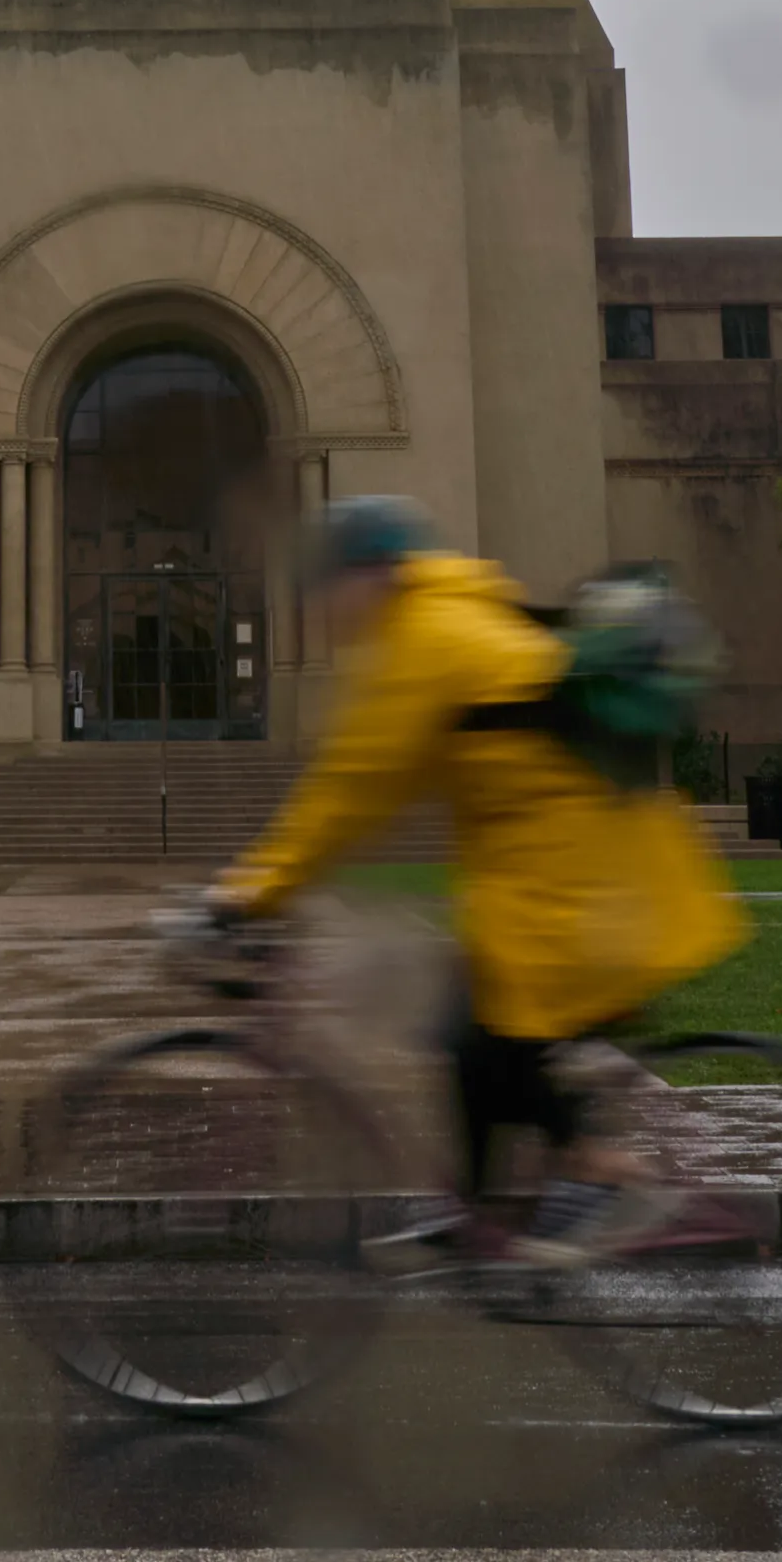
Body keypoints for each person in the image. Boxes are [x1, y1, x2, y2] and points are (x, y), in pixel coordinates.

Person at [203, 497, 749, 1258]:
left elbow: (354, 788)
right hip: (559, 872)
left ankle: (602, 1175)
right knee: (462, 1031)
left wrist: (249, 892)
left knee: (497, 1033)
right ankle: (469, 1215)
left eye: (331, 585)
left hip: (584, 885)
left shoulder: (429, 635)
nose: (322, 606)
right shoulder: (440, 620)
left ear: (374, 576)